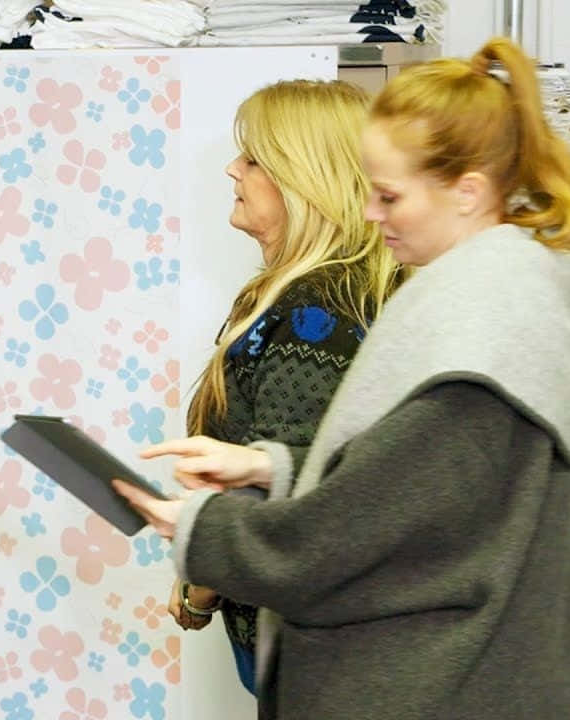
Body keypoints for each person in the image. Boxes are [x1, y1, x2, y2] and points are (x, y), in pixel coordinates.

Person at [116, 37, 570, 719]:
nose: (368, 211)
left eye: (388, 194)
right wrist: (272, 468)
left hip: (436, 684)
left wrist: (201, 533)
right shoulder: (502, 296)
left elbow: (341, 539)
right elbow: (421, 493)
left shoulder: (476, 338)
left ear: (468, 192)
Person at [163, 79, 402, 695]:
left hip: (308, 650)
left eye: (253, 158)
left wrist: (201, 583)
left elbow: (286, 487)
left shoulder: (315, 308)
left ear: (304, 177)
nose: (232, 169)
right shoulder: (322, 293)